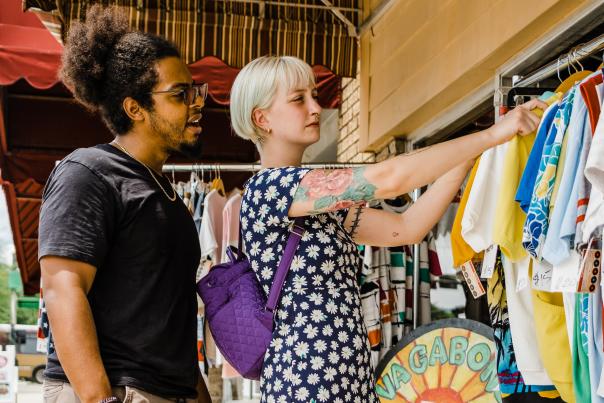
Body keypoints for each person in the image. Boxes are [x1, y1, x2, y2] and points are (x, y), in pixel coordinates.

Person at [229, 55, 547, 402]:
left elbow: (406, 228)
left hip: (345, 373)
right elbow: (390, 179)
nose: (316, 108)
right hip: (306, 377)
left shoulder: (318, 204)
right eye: (298, 99)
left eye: (315, 95)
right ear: (262, 118)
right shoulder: (270, 188)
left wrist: (472, 154)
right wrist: (489, 135)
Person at [38, 6, 211, 403]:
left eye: (195, 90)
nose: (197, 103)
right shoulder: (88, 172)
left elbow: (169, 320)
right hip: (115, 391)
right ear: (135, 108)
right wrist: (100, 399)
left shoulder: (166, 194)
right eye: (179, 95)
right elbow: (62, 287)